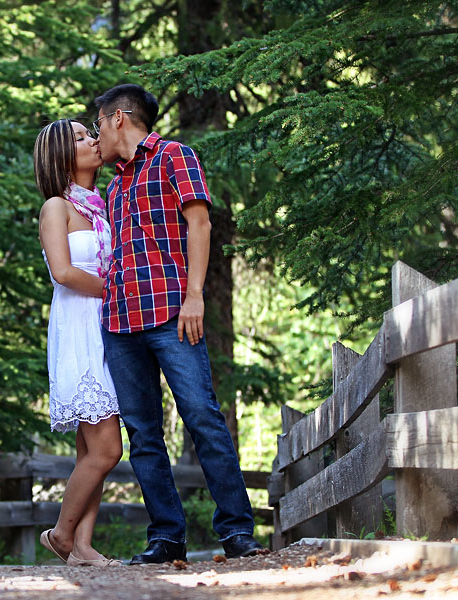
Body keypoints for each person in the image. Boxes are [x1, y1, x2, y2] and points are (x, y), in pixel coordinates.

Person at [92, 84, 268, 564]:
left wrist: (194, 297)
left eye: (98, 125)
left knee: (203, 417)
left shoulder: (174, 156)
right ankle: (167, 536)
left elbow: (200, 225)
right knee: (143, 434)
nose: (96, 137)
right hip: (121, 323)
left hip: (172, 315)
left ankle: (236, 532)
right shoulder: (113, 186)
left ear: (118, 119)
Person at [33, 118, 124, 567]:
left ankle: (83, 548)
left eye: (91, 133)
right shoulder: (56, 207)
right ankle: (61, 535)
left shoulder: (99, 206)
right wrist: (119, 290)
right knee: (108, 448)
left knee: (91, 450)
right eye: (82, 138)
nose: (93, 140)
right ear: (61, 156)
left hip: (106, 326)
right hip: (80, 327)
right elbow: (63, 273)